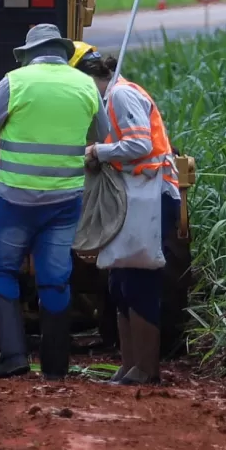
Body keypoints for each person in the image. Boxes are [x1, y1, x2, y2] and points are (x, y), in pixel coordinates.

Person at [0, 22, 101, 378]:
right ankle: (56, 367)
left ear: (28, 55)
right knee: (55, 277)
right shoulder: (86, 84)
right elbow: (101, 136)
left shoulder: (16, 81)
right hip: (65, 199)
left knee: (0, 269)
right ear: (62, 51)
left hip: (16, 199)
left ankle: (13, 356)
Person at [82, 49, 183, 385]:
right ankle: (131, 365)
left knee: (139, 281)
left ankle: (146, 368)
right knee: (121, 282)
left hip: (150, 198)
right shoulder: (112, 96)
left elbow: (139, 144)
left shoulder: (121, 95)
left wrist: (99, 152)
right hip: (136, 198)